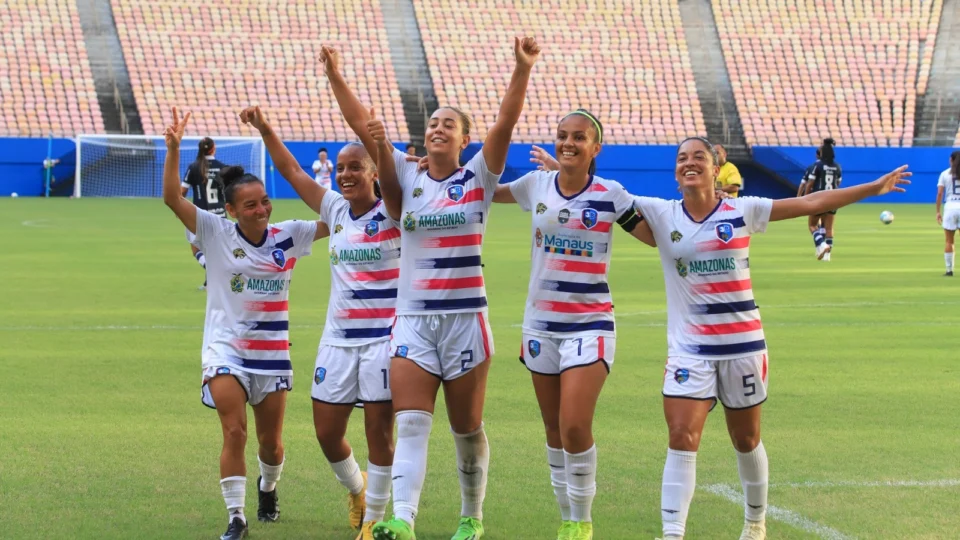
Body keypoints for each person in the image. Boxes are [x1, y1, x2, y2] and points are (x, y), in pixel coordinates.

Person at [626, 137, 908, 540]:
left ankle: (755, 523)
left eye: (698, 157)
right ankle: (672, 532)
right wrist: (561, 168)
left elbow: (811, 204)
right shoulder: (661, 213)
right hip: (690, 349)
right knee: (681, 436)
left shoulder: (742, 209)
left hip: (743, 346)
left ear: (714, 167)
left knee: (746, 438)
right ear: (676, 173)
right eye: (682, 158)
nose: (689, 163)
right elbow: (606, 196)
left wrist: (871, 188)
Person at [321, 36, 540, 540]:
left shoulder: (480, 177)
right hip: (413, 321)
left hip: (467, 321)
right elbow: (362, 124)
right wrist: (335, 75)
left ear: (464, 139)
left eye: (450, 124)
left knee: (466, 429)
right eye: (433, 122)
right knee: (413, 422)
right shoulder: (405, 173)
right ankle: (403, 519)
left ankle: (471, 516)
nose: (439, 128)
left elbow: (504, 125)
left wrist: (521, 69)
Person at [161, 107, 325, 540]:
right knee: (234, 430)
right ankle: (236, 517)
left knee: (270, 444)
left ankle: (268, 488)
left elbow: (341, 219)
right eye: (250, 205)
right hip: (225, 350)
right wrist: (175, 149)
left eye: (265, 201)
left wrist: (381, 186)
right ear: (231, 210)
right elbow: (172, 200)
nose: (261, 210)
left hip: (272, 355)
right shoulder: (214, 232)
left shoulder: (290, 235)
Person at [495, 110, 654, 540]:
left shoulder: (610, 194)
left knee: (574, 424)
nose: (568, 142)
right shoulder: (536, 185)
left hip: (590, 324)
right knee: (552, 428)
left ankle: (582, 521)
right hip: (540, 325)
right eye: (562, 136)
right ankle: (566, 518)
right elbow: (486, 192)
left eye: (578, 137)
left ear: (595, 148)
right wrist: (435, 169)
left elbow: (653, 236)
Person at [241, 105, 397, 540]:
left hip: (383, 341)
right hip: (337, 341)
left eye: (355, 167)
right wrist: (266, 126)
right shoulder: (335, 210)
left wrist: (382, 143)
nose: (345, 175)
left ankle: (374, 520)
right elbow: (290, 170)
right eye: (341, 168)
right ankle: (358, 489)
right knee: (327, 434)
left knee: (379, 435)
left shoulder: (397, 213)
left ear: (374, 172)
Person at [180, 137, 228, 289]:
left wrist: (179, 209)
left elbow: (182, 191)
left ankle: (212, 271)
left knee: (196, 248)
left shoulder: (194, 167)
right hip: (220, 215)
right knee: (216, 249)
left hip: (200, 215)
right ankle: (210, 281)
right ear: (213, 148)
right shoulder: (223, 168)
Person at [802, 138, 842, 261]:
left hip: (819, 199)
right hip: (833, 199)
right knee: (829, 228)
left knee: (813, 225)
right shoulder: (837, 167)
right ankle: (827, 256)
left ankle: (821, 244)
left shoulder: (818, 165)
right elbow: (838, 183)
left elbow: (810, 183)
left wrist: (806, 198)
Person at [936, 151, 960, 276]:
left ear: (951, 159)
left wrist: (938, 212)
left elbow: (940, 193)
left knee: (949, 241)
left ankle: (949, 270)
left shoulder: (945, 174)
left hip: (950, 207)